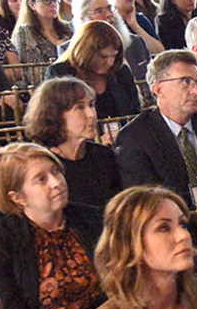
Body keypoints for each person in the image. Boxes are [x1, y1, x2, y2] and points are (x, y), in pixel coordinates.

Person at [0, 143, 105, 309]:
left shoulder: (95, 219)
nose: (56, 183)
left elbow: (119, 282)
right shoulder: (0, 242)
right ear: (18, 197)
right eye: (41, 179)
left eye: (56, 172)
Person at [116, 50, 197, 205]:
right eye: (186, 81)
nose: (196, 91)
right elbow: (146, 202)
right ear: (158, 89)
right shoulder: (135, 138)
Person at [23, 78, 122, 210]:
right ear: (55, 115)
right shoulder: (43, 165)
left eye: (91, 105)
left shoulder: (104, 155)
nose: (91, 114)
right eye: (80, 107)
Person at [47, 18, 140, 119]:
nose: (110, 62)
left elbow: (135, 114)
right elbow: (54, 119)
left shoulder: (121, 72)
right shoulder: (60, 74)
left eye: (114, 56)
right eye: (103, 56)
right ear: (86, 53)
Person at [13, 0, 72, 65]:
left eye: (55, 0)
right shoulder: (24, 33)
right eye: (46, 0)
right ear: (32, 5)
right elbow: (31, 69)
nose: (53, 4)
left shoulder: (69, 28)